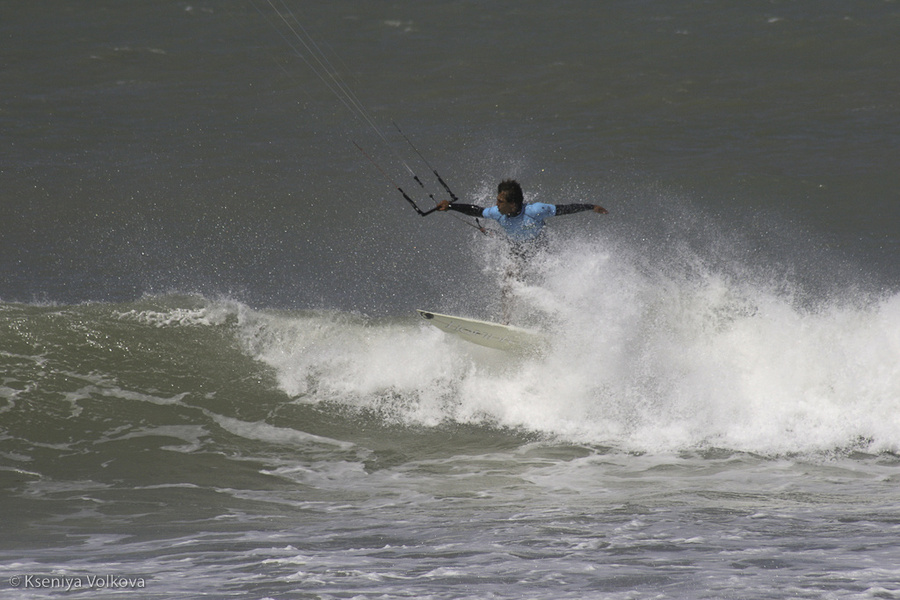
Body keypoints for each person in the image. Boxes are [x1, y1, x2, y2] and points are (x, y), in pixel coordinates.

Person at [436, 179, 608, 323]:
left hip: (540, 250)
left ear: (513, 204)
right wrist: (451, 206)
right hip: (517, 249)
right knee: (508, 282)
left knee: (544, 282)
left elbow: (563, 209)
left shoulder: (535, 210)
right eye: (497, 200)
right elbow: (477, 211)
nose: (496, 205)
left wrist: (591, 207)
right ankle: (506, 322)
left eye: (500, 202)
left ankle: (562, 318)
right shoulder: (497, 213)